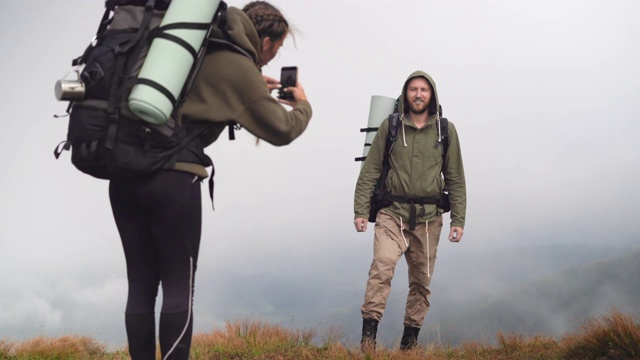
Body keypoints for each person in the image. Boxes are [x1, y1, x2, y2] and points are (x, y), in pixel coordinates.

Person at [108, 2, 312, 359]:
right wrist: (303, 106)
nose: (266, 61)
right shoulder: (237, 64)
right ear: (265, 41)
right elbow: (281, 130)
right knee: (177, 284)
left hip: (124, 173)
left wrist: (249, 82)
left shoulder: (191, 45)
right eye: (273, 51)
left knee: (140, 284)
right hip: (174, 181)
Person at [353, 70, 465, 351]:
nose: (418, 94)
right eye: (413, 89)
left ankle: (409, 343)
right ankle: (368, 339)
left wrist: (458, 219)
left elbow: (455, 177)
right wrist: (360, 210)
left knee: (421, 282)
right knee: (381, 269)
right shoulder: (390, 127)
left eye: (423, 90)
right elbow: (370, 171)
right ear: (405, 94)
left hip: (429, 219)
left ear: (432, 95)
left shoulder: (445, 131)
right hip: (392, 213)